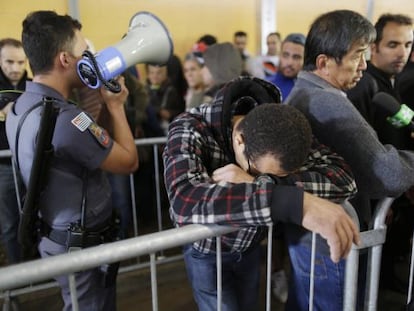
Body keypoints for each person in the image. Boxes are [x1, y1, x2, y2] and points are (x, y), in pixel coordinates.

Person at [163, 76, 359, 311]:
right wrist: (292, 203)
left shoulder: (285, 126)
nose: (266, 180)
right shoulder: (189, 126)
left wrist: (259, 180)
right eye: (260, 172)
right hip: (206, 252)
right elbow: (184, 202)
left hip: (251, 246)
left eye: (280, 176)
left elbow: (343, 178)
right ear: (240, 140)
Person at [5, 10, 138, 311]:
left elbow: (87, 144)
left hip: (56, 235)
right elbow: (129, 162)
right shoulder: (68, 120)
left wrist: (103, 105)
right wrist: (116, 107)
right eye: (84, 53)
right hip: (81, 247)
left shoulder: (20, 105)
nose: (89, 59)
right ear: (65, 60)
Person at [285, 9, 414, 310]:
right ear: (324, 62)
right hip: (330, 242)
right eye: (357, 55)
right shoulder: (325, 100)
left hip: (315, 237)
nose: (364, 65)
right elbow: (387, 173)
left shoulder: (307, 92)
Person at [346, 13, 414, 293]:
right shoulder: (365, 85)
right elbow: (359, 150)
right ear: (373, 48)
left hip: (392, 188)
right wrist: (376, 199)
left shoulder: (389, 82)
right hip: (371, 198)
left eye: (408, 45)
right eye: (393, 44)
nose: (403, 53)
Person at [0, 38, 30, 264]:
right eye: (9, 61)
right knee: (10, 224)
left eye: (21, 62)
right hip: (4, 168)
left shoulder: (32, 86)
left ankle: (40, 271)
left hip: (32, 163)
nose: (16, 68)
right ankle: (18, 278)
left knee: (36, 218)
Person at [143, 64, 185, 137]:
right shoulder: (143, 91)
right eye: (152, 73)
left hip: (168, 128)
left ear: (165, 74)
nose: (155, 76)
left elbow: (180, 110)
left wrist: (170, 114)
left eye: (158, 73)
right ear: (148, 74)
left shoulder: (172, 91)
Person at [267, 33, 305, 101]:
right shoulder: (266, 85)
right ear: (279, 55)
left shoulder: (309, 91)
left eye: (296, 57)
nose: (289, 62)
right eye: (285, 55)